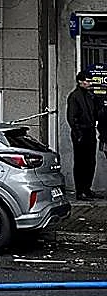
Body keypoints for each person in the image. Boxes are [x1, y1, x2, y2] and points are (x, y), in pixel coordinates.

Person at [67, 70, 100, 200]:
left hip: (90, 131)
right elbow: (71, 116)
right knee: (81, 162)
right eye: (87, 80)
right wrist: (78, 133)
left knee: (91, 161)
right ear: (80, 81)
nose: (89, 83)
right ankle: (80, 191)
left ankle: (87, 188)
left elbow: (95, 112)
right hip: (81, 132)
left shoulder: (89, 95)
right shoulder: (75, 96)